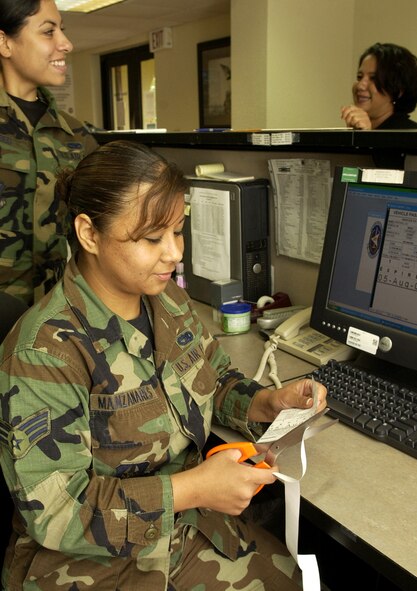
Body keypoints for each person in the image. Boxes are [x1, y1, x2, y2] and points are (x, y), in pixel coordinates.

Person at [0, 140, 327, 591]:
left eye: (178, 230)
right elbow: (57, 511)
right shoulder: (45, 351)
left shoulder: (167, 299)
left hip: (187, 532)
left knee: (306, 583)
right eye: (152, 238)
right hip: (94, 569)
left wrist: (266, 403)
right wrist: (193, 489)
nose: (174, 253)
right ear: (89, 234)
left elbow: (213, 378)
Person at [0, 0, 98, 307]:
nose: (66, 44)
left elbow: (95, 223)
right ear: (4, 42)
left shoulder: (77, 135)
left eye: (62, 31)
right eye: (48, 32)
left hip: (52, 318)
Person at [341, 42, 417, 130]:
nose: (360, 86)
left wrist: (365, 138)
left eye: (373, 78)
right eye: (359, 77)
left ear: (398, 90)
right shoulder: (353, 129)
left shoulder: (411, 136)